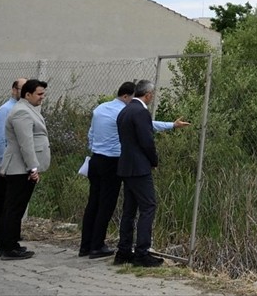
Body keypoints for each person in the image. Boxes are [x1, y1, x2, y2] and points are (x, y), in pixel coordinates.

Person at [79, 81, 189, 258]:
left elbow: (91, 133)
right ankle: (97, 245)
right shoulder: (125, 111)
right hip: (113, 160)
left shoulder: (100, 109)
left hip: (96, 159)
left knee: (93, 203)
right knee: (107, 205)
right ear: (126, 96)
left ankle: (85, 245)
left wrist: (94, 150)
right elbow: (147, 127)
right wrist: (171, 126)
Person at [0, 79, 49, 260]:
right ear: (27, 95)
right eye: (39, 94)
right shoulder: (21, 112)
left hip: (22, 167)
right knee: (14, 208)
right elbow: (25, 143)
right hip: (20, 168)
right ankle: (8, 247)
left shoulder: (27, 109)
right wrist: (32, 168)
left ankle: (8, 244)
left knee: (15, 208)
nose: (43, 97)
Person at [115, 80, 163, 267]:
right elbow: (146, 141)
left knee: (129, 210)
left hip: (126, 165)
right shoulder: (141, 112)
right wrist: (154, 160)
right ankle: (142, 252)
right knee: (148, 207)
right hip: (139, 167)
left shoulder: (124, 110)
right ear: (148, 94)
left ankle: (124, 250)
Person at [0, 77, 25, 246]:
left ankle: (8, 231)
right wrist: (3, 163)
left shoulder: (23, 109)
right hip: (5, 158)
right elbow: (0, 140)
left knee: (12, 197)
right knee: (1, 195)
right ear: (14, 90)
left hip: (16, 159)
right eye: (21, 88)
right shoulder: (5, 110)